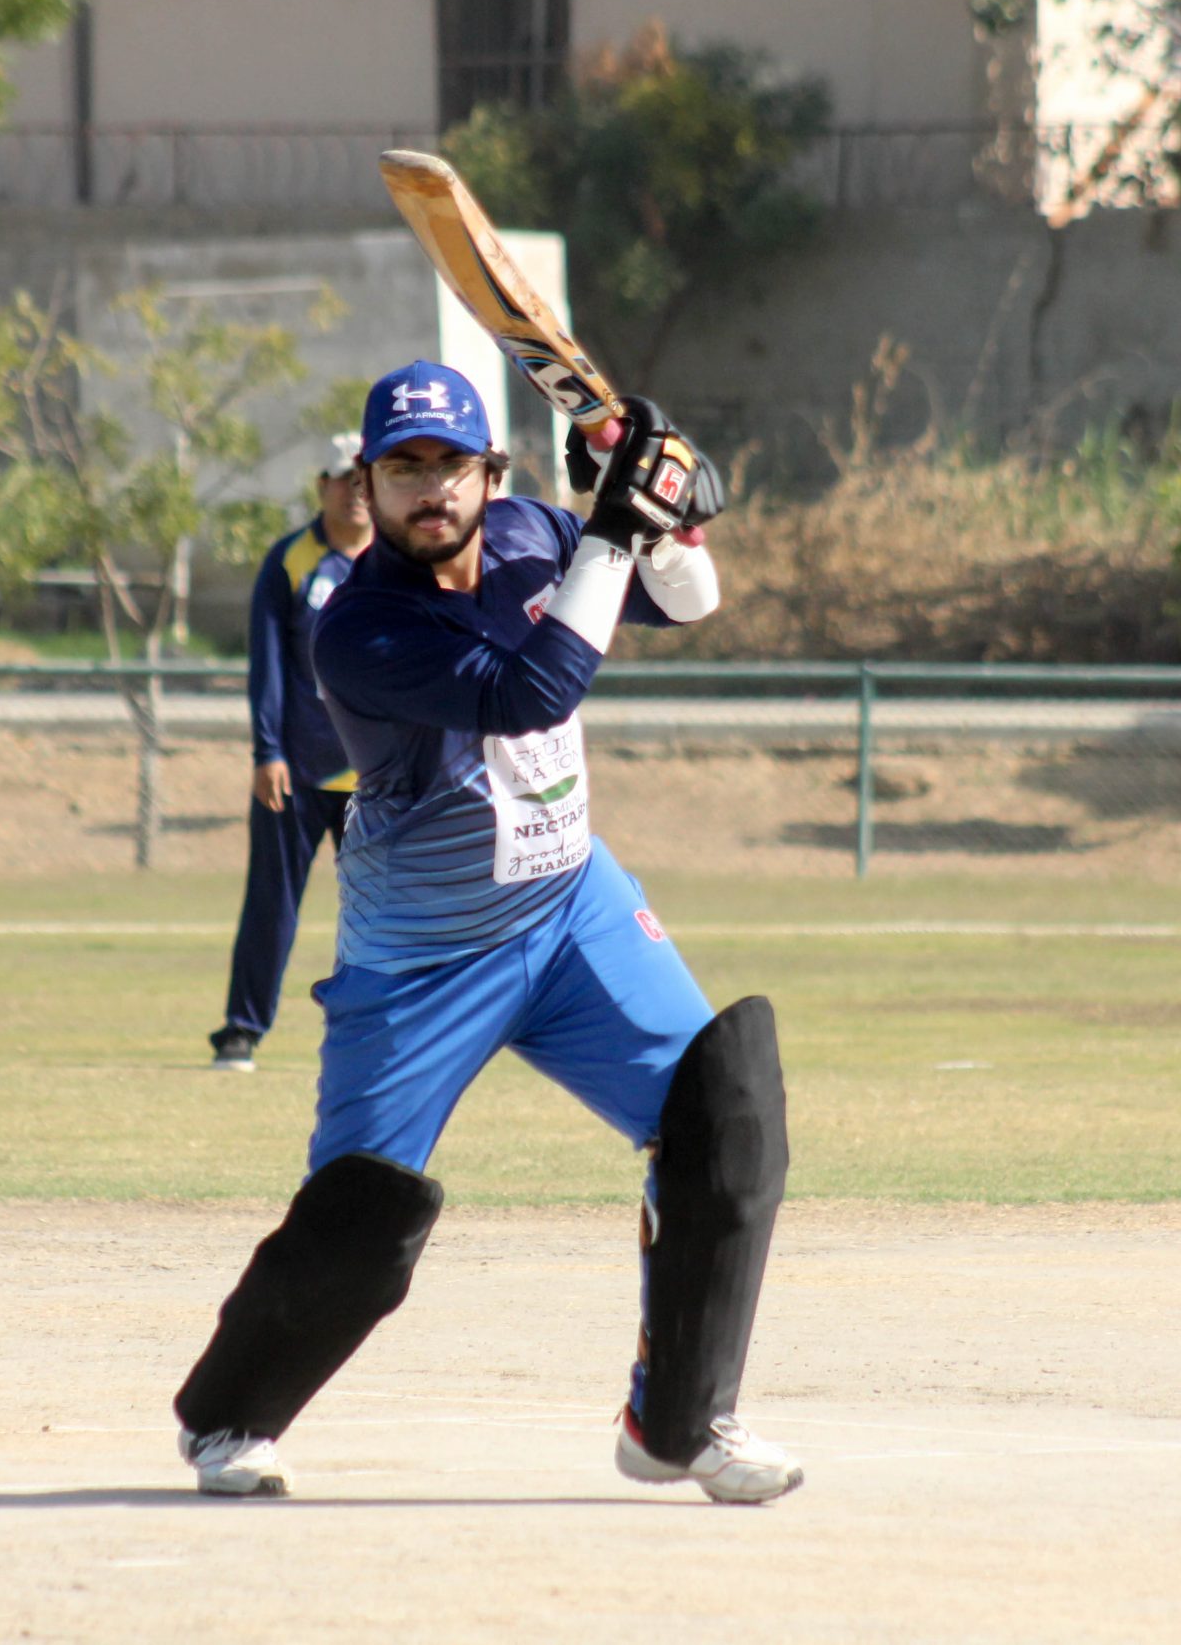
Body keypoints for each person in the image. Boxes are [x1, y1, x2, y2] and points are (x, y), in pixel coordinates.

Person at [172, 360, 801, 1505]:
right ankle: (227, 1417)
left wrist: (664, 519)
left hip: (571, 911)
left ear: (491, 474)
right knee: (360, 1215)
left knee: (725, 1116)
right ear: (366, 484)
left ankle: (677, 1422)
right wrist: (614, 524)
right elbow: (531, 693)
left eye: (450, 466)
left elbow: (688, 605)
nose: (430, 491)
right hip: (423, 959)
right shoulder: (359, 628)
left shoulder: (534, 536)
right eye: (402, 469)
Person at [207, 435, 374, 1072]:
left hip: (378, 775)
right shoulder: (291, 561)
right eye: (343, 479)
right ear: (321, 487)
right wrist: (267, 750)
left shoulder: (396, 560)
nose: (355, 491)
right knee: (271, 903)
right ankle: (242, 1029)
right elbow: (268, 666)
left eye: (365, 478)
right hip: (296, 771)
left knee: (384, 910)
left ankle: (379, 1029)